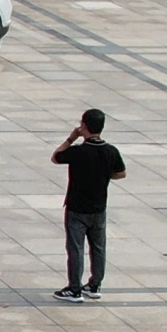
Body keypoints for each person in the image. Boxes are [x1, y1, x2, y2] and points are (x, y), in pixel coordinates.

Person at [51, 110, 126, 303]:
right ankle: (94, 285)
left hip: (77, 208)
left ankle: (74, 288)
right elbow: (121, 173)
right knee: (98, 247)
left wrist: (71, 138)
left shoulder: (78, 152)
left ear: (84, 126)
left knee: (76, 249)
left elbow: (56, 157)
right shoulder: (110, 151)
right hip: (99, 208)